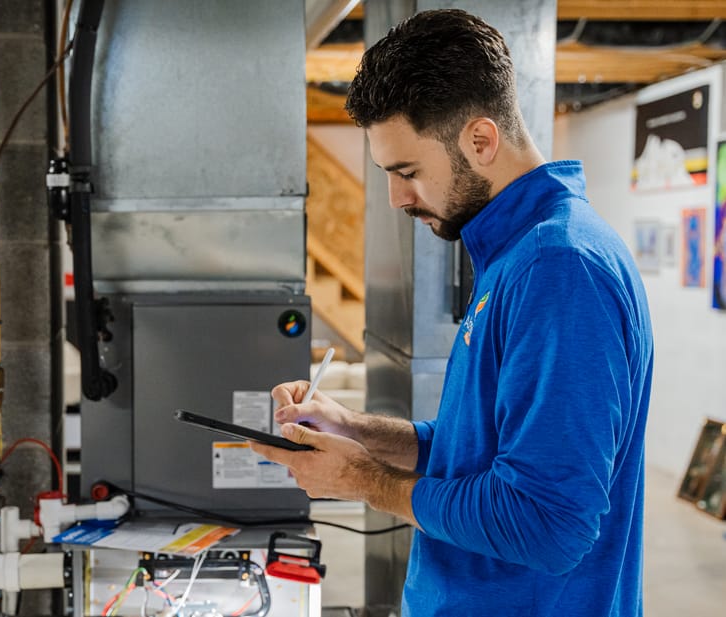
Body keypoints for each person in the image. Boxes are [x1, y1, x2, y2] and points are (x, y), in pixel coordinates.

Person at [250, 8, 653, 616]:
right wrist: (356, 430)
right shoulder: (515, 254)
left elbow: (548, 523)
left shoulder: (559, 268)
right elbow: (481, 452)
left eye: (408, 171)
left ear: (481, 141)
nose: (396, 198)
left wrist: (364, 480)